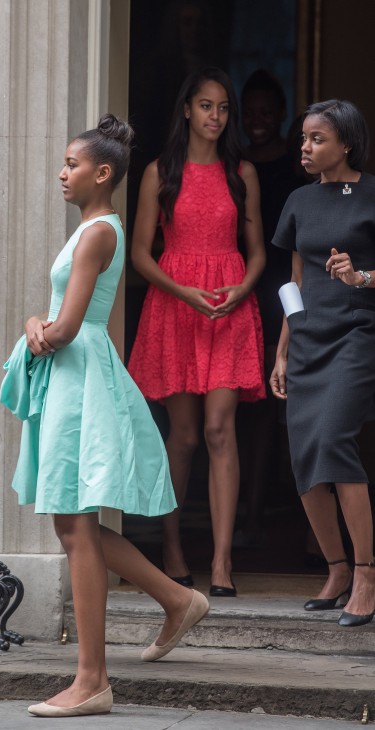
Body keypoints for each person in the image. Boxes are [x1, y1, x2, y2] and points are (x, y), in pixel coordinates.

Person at [2, 114, 210, 719]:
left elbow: (64, 328)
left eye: (71, 164)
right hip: (74, 378)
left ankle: (92, 679)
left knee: (73, 525)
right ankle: (176, 600)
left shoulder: (98, 233)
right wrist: (40, 326)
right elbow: (60, 322)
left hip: (79, 377)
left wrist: (32, 327)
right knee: (75, 525)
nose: (62, 173)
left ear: (102, 173)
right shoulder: (92, 229)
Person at [128, 67, 266, 596]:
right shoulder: (160, 172)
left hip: (229, 307)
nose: (216, 116)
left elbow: (257, 255)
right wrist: (184, 293)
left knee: (218, 430)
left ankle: (222, 563)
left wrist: (241, 290)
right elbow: (141, 253)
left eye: (223, 107)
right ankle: (174, 548)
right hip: (177, 306)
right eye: (206, 105)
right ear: (187, 109)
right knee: (183, 437)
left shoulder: (242, 173)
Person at [270, 99, 375, 626]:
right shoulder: (298, 201)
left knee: (333, 441)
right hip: (309, 338)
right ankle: (335, 568)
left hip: (357, 334)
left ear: (346, 143)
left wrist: (361, 278)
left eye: (317, 139)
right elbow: (297, 281)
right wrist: (283, 351)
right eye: (305, 139)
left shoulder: (373, 194)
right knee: (305, 457)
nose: (306, 148)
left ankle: (366, 573)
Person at [235, 69, 303, 549]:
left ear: (280, 115)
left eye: (266, 112)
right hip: (244, 295)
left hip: (291, 291)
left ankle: (293, 525)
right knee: (249, 411)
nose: (257, 121)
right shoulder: (234, 166)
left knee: (287, 410)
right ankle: (249, 517)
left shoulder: (297, 170)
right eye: (250, 113)